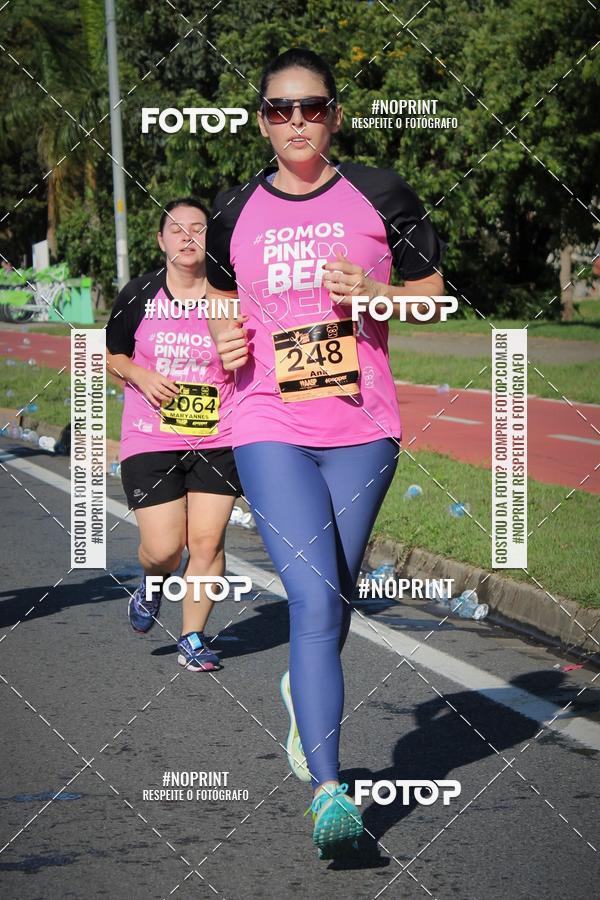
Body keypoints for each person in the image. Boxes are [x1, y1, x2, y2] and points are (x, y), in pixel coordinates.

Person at [205, 48, 447, 857]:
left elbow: (434, 297)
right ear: (263, 120)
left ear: (334, 115)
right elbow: (214, 301)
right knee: (310, 604)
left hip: (363, 429)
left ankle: (301, 691)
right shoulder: (234, 207)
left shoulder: (380, 192)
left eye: (311, 107)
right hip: (267, 419)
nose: (296, 122)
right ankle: (331, 797)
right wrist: (221, 331)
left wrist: (374, 296)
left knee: (333, 599)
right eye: (280, 109)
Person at [106, 198, 242, 671]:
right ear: (161, 240)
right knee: (165, 550)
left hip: (217, 434)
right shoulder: (139, 294)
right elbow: (113, 354)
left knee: (206, 543)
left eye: (199, 229)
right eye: (177, 229)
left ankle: (193, 637)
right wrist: (140, 377)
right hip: (150, 436)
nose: (188, 237)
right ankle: (152, 581)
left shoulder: (232, 296)